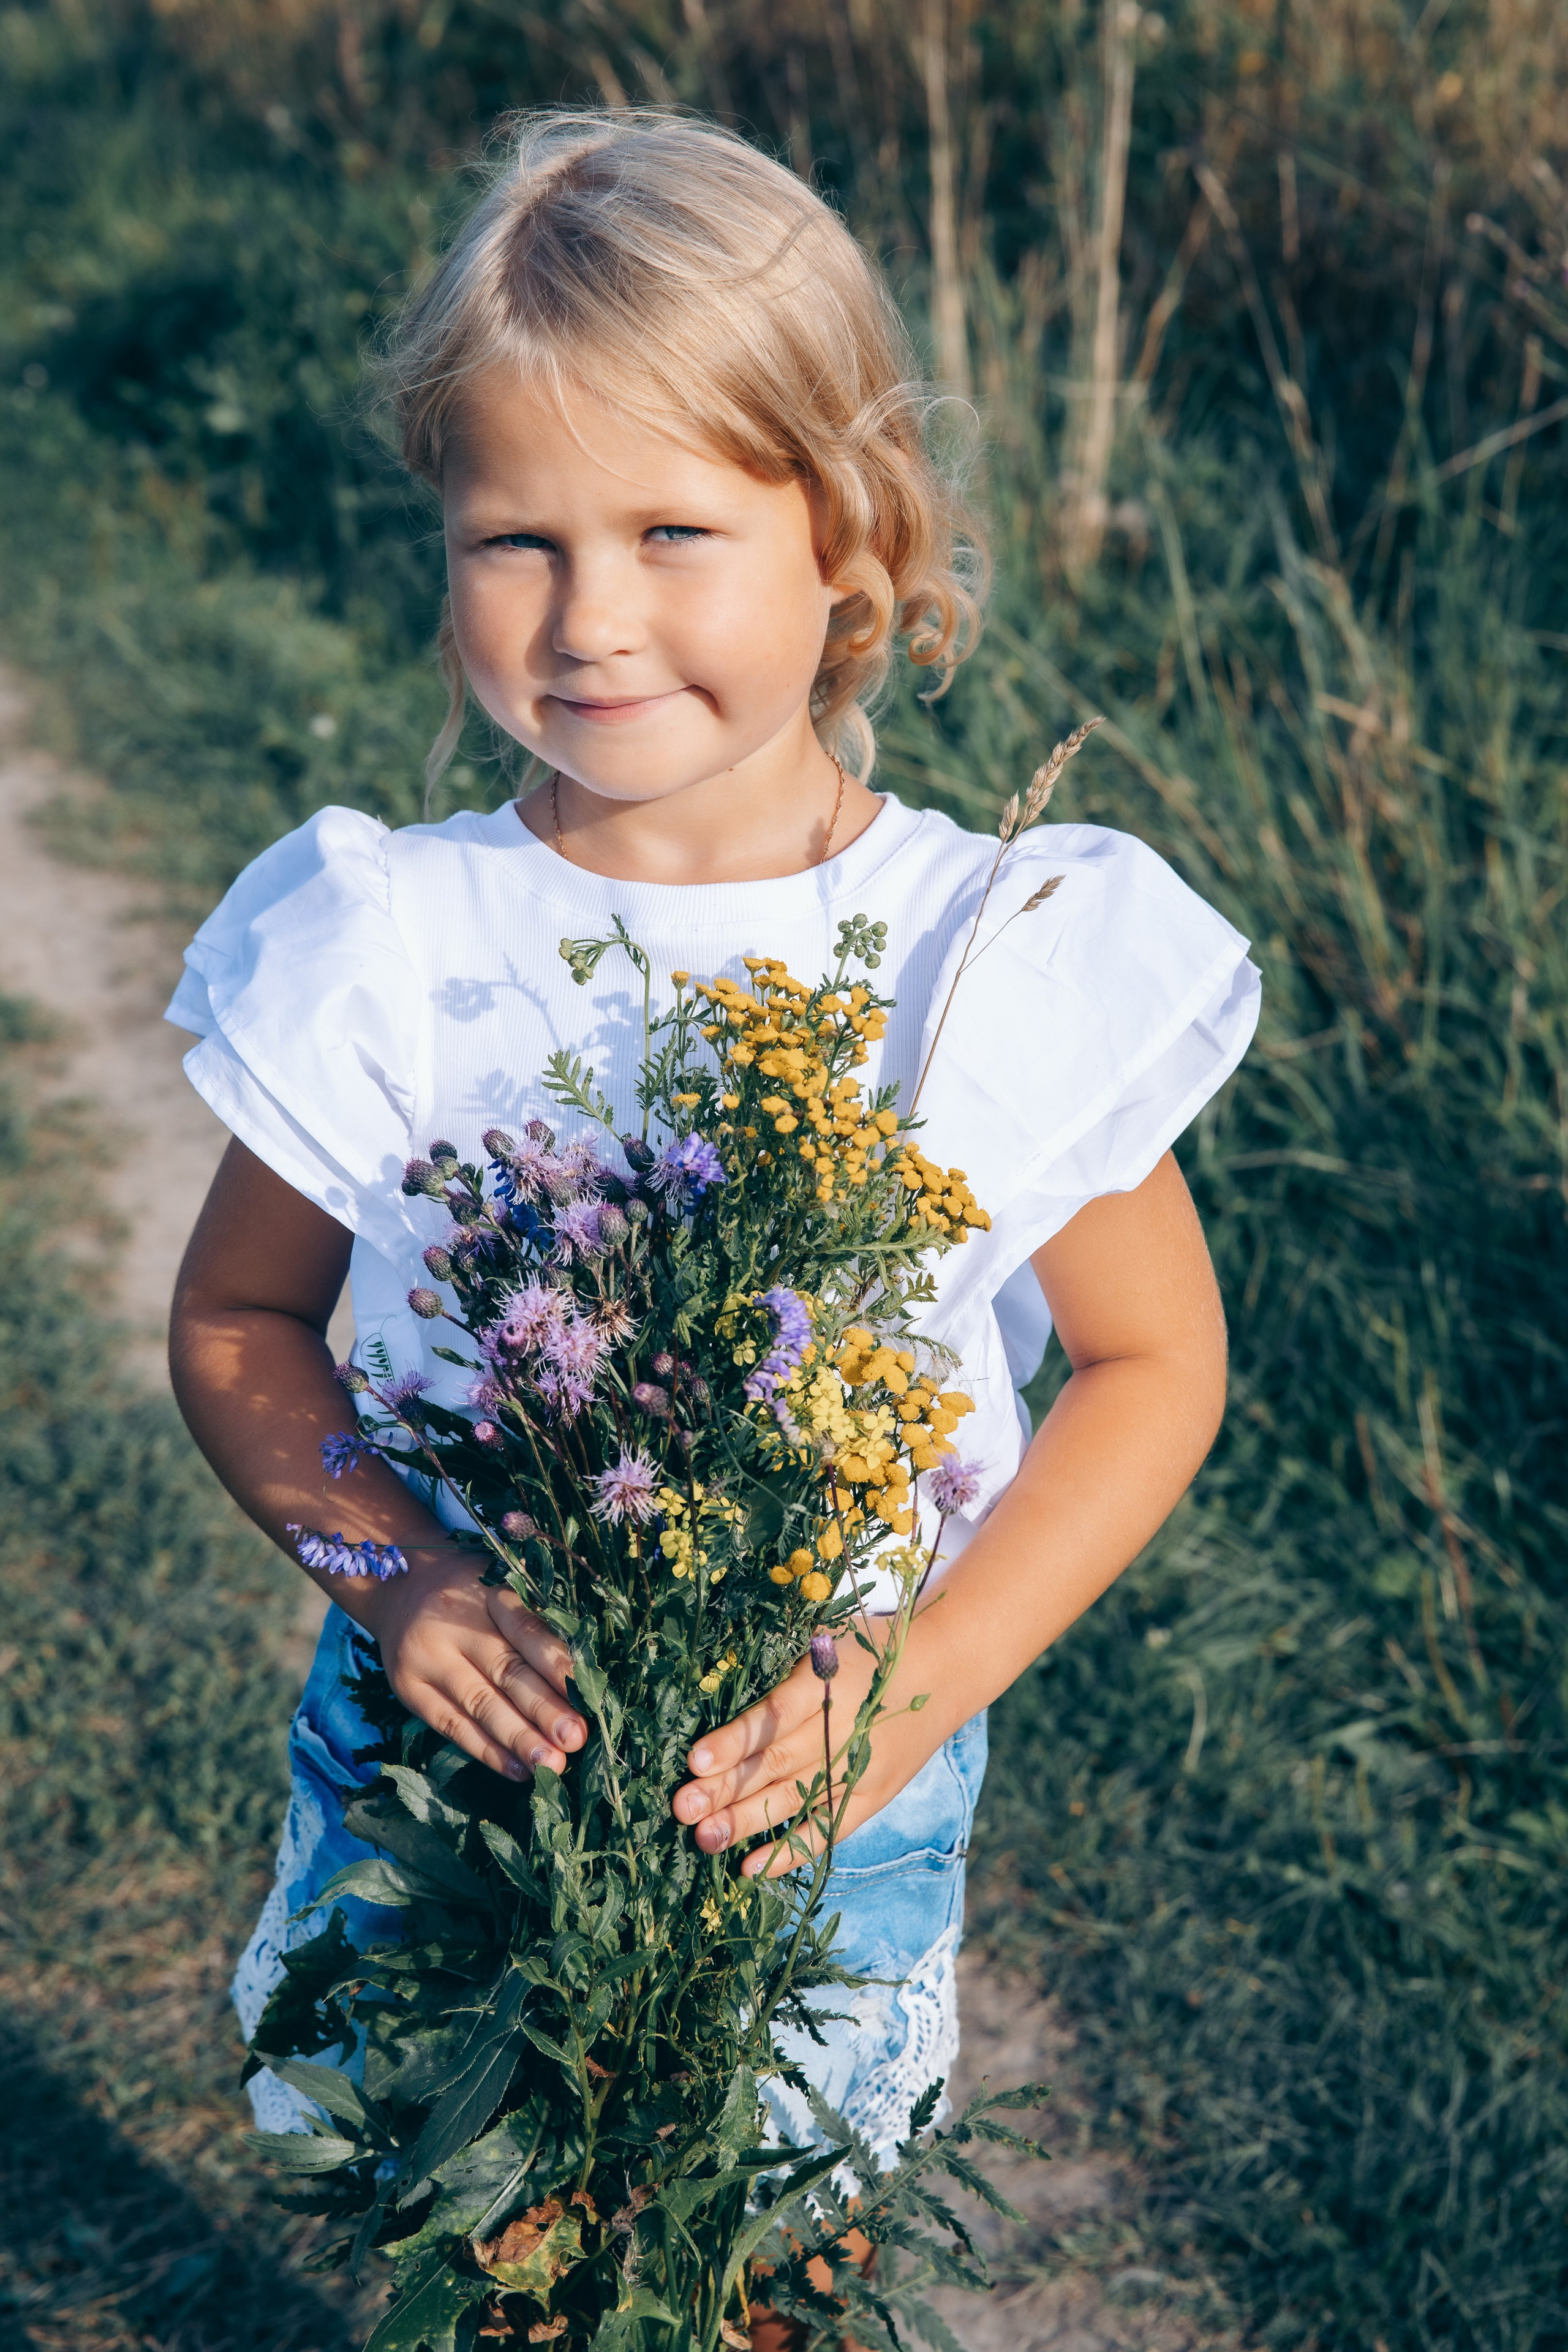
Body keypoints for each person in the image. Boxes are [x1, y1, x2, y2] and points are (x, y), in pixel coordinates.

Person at [166, 108, 1258, 2348]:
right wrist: (399, 1575)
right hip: (458, 1758)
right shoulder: (391, 932)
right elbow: (242, 1325)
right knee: (487, 2259)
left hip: (824, 1776)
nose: (590, 620)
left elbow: (1156, 1368)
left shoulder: (985, 947)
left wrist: (913, 1679)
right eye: (513, 540)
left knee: (772, 2271)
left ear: (850, 537)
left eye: (674, 530)